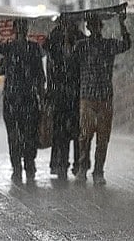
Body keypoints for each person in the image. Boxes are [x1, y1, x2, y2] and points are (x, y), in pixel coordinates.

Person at [0, 18, 45, 185]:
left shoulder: (15, 48)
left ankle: (22, 167)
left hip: (19, 99)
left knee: (20, 135)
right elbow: (40, 76)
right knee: (23, 135)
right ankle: (24, 167)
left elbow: (39, 75)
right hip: (21, 99)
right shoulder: (25, 48)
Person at [73, 12, 131, 185]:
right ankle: (83, 167)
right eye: (91, 25)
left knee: (103, 137)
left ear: (100, 27)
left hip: (104, 96)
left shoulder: (109, 45)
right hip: (87, 96)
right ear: (89, 27)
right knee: (85, 135)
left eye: (97, 25)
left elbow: (126, 44)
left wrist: (122, 24)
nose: (94, 28)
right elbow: (69, 57)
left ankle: (98, 170)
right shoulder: (81, 45)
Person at [44, 17, 86, 181]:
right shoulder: (54, 38)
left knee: (76, 132)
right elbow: (49, 57)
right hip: (60, 93)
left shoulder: (79, 38)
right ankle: (61, 164)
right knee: (60, 132)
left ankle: (78, 164)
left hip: (75, 93)